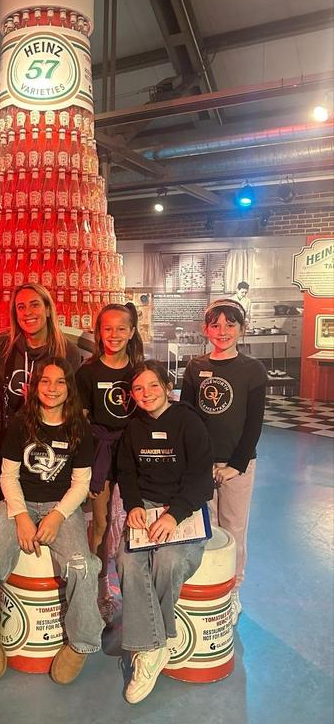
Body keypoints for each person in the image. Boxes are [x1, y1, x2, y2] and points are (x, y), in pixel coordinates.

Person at [0, 357, 103, 684]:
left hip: (62, 506)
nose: (52, 389)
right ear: (34, 386)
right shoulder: (20, 423)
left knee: (83, 567)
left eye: (60, 382)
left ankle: (81, 642)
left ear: (69, 387)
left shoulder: (79, 428)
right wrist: (22, 517)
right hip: (19, 504)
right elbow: (8, 477)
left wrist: (56, 516)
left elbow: (81, 484)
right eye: (45, 381)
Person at [116, 360, 214, 703]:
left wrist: (174, 516)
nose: (146, 394)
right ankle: (158, 645)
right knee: (128, 563)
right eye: (139, 389)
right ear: (131, 395)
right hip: (146, 506)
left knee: (169, 560)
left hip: (184, 508)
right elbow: (126, 474)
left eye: (153, 386)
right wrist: (134, 506)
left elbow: (202, 477)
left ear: (167, 386)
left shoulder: (188, 421)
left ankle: (147, 647)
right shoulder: (133, 428)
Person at [180, 299, 267, 625]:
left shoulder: (253, 370)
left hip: (237, 466)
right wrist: (194, 461)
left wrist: (236, 464)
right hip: (201, 464)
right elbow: (187, 417)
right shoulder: (195, 367)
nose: (222, 331)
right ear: (206, 329)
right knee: (205, 526)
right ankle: (207, 579)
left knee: (234, 527)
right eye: (215, 325)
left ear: (241, 329)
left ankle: (232, 589)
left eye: (230, 325)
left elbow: (253, 424)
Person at [0, 283, 81, 492]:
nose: (27, 312)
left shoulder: (68, 352)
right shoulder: (2, 348)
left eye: (34, 305)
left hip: (48, 451)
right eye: (21, 307)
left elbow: (72, 404)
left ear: (48, 309)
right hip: (4, 445)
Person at [75, 303, 144, 625]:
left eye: (121, 328)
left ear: (131, 332)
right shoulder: (87, 372)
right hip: (101, 452)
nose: (114, 335)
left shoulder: (140, 372)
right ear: (98, 332)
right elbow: (82, 419)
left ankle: (139, 592)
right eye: (107, 329)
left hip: (134, 452)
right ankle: (99, 588)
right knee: (100, 524)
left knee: (137, 521)